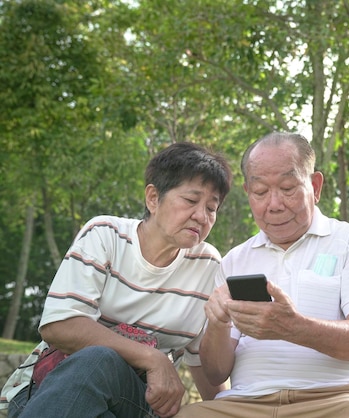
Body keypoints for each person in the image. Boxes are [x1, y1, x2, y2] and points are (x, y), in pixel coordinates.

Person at [1, 142, 232, 418]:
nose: (201, 216)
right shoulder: (105, 235)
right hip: (49, 391)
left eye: (211, 208)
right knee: (96, 360)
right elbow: (59, 325)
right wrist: (152, 358)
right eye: (191, 201)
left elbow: (203, 366)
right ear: (153, 198)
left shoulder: (208, 266)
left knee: (99, 360)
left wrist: (229, 411)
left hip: (135, 401)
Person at [175, 132, 349, 417]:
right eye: (260, 192)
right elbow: (216, 372)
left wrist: (293, 326)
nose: (274, 203)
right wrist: (217, 324)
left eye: (288, 187)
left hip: (338, 400)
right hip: (247, 404)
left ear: (315, 186)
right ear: (248, 194)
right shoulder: (234, 261)